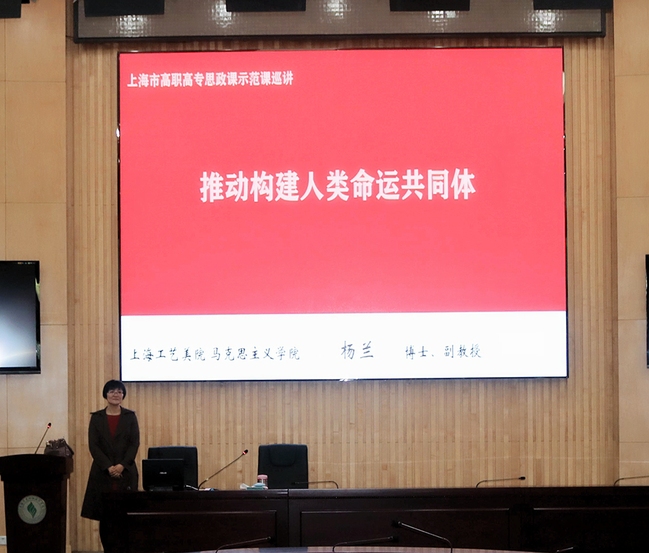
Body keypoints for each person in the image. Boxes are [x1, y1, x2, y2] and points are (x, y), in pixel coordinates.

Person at [81, 379, 140, 549]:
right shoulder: (97, 418)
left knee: (125, 516)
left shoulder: (130, 416)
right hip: (102, 473)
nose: (116, 394)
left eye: (119, 392)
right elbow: (94, 446)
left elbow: (134, 444)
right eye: (112, 391)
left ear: (123, 395)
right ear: (105, 395)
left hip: (126, 472)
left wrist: (122, 465)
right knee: (105, 517)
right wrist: (108, 466)